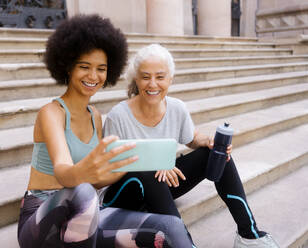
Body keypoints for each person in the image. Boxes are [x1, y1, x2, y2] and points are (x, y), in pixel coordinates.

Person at [17, 15, 195, 248]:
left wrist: (145, 163)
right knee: (81, 191)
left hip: (86, 217)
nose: (93, 76)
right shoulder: (51, 113)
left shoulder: (96, 117)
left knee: (170, 227)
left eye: (101, 69)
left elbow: (103, 179)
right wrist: (87, 173)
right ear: (67, 66)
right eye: (84, 67)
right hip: (43, 218)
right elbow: (63, 173)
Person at [102, 44, 280, 248]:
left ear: (170, 79)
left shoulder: (177, 108)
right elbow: (109, 168)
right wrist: (151, 165)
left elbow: (192, 138)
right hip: (124, 195)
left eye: (160, 77)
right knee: (146, 172)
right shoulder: (118, 116)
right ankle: (184, 244)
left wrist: (208, 142)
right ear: (136, 79)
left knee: (215, 153)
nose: (152, 84)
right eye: (145, 77)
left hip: (161, 187)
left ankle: (249, 235)